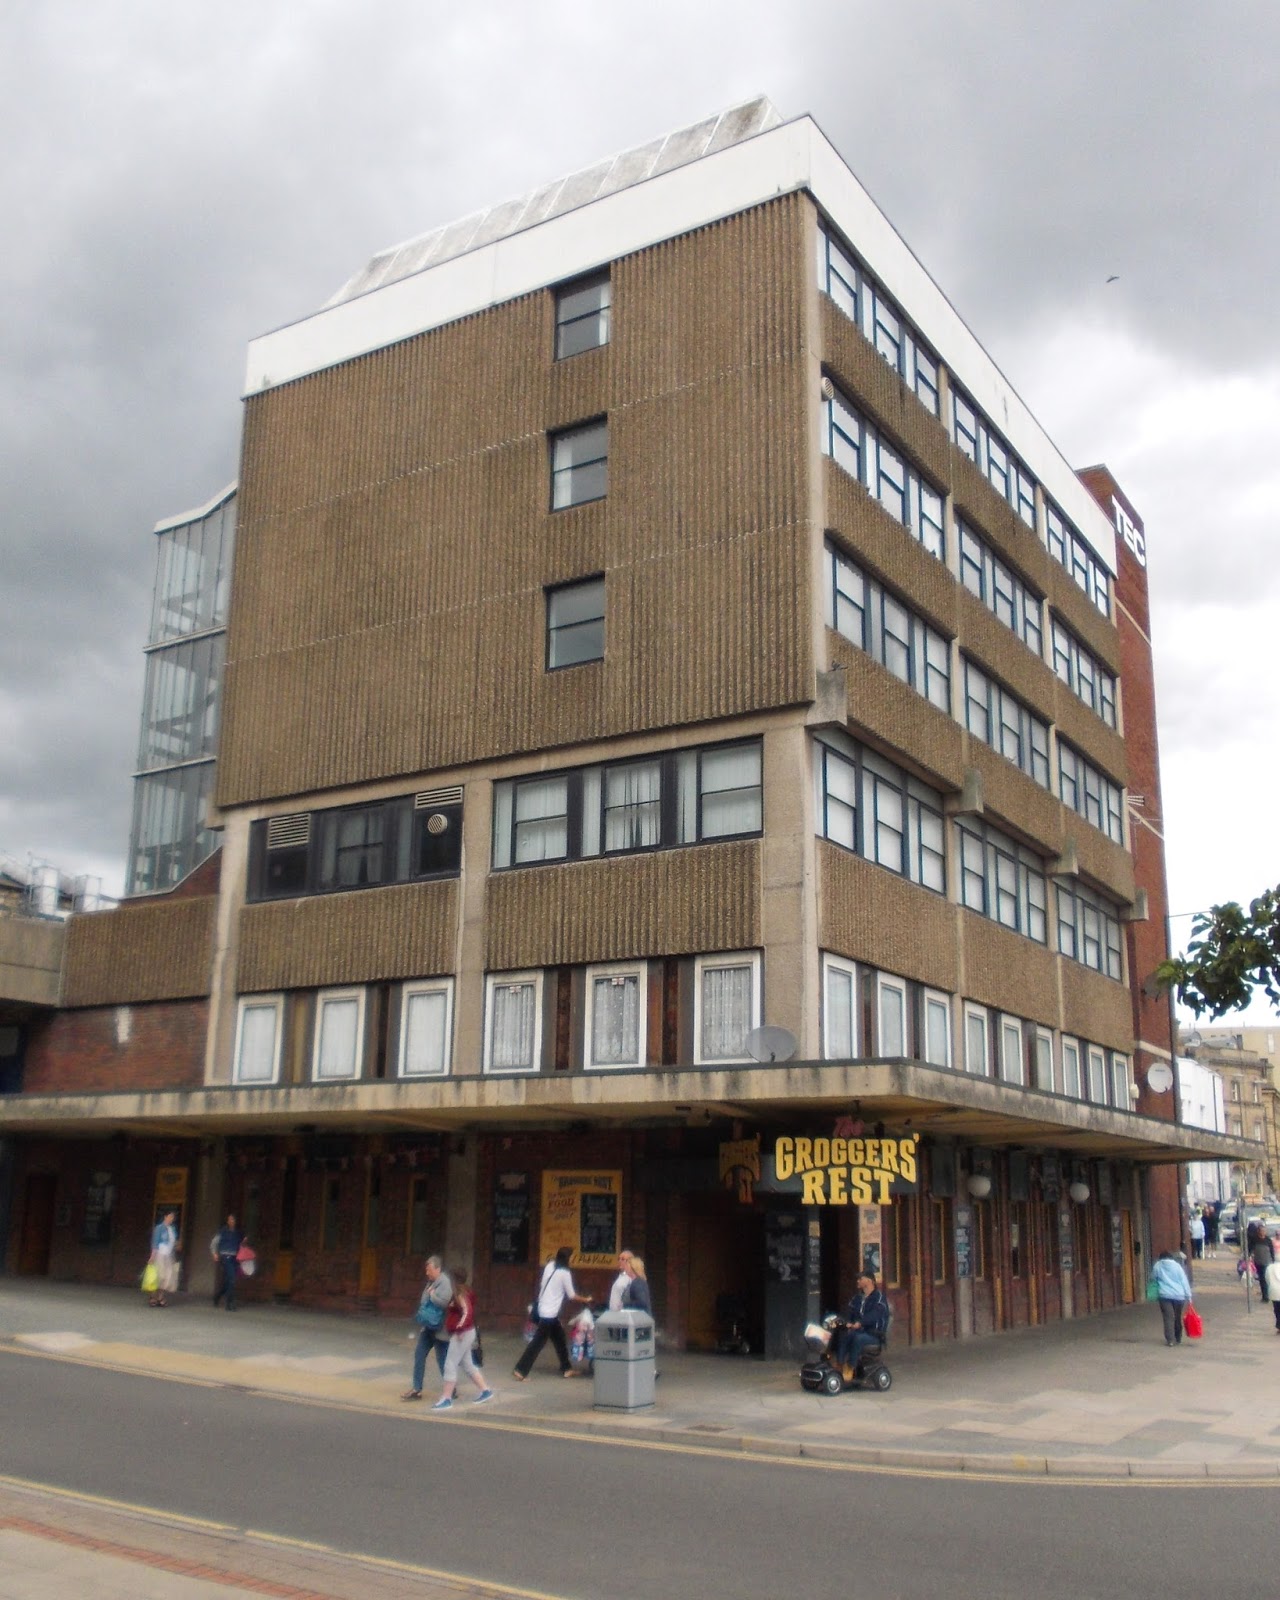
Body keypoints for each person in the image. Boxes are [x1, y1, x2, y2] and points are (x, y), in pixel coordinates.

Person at [513, 1246, 588, 1380]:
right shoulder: (565, 1273)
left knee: (559, 1339)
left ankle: (566, 1368)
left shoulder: (550, 1266)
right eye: (571, 1257)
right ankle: (521, 1370)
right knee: (537, 1343)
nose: (572, 1259)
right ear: (567, 1258)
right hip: (549, 1314)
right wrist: (585, 1299)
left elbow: (543, 1284)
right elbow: (571, 1295)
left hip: (544, 1309)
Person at [431, 1269, 493, 1409]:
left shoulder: (459, 1293)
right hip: (466, 1332)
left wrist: (459, 1327)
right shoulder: (465, 1291)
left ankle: (446, 1398)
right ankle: (485, 1390)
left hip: (462, 1333)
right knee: (467, 1364)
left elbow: (467, 1312)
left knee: (450, 1363)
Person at [402, 1255, 454, 1400]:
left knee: (442, 1360)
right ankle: (416, 1389)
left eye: (429, 1270)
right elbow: (424, 1299)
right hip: (428, 1327)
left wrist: (432, 1295)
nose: (427, 1273)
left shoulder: (445, 1283)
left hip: (440, 1329)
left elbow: (444, 1303)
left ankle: (452, 1389)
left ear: (438, 1269)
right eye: (426, 1270)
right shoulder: (431, 1282)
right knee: (419, 1355)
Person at [835, 1272, 889, 1378]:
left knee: (857, 1338)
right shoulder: (857, 1298)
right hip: (859, 1331)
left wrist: (860, 1323)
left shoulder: (879, 1298)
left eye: (860, 1279)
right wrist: (843, 1321)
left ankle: (851, 1367)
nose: (858, 1281)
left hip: (874, 1335)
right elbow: (848, 1311)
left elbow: (875, 1315)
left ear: (869, 1281)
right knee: (844, 1335)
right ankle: (839, 1364)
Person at [1150, 1249, 1193, 1345]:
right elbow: (1184, 1281)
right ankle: (1178, 1337)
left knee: (1168, 1317)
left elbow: (1153, 1278)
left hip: (1164, 1295)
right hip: (1179, 1296)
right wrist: (1188, 1296)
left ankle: (1170, 1340)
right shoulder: (1177, 1266)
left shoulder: (1158, 1265)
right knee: (1177, 1317)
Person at [210, 1214, 244, 1311]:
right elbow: (214, 1243)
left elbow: (242, 1244)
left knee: (227, 1281)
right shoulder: (223, 1231)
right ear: (227, 1221)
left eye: (233, 1219)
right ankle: (230, 1303)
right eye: (229, 1219)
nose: (231, 1221)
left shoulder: (238, 1233)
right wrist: (214, 1253)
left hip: (235, 1258)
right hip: (225, 1257)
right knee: (232, 1278)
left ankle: (217, 1296)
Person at [149, 1210, 180, 1308]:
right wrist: (152, 1256)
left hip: (169, 1255)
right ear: (165, 1217)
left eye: (173, 1217)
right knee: (158, 1276)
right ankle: (153, 1297)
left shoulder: (172, 1228)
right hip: (160, 1254)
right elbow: (155, 1242)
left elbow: (174, 1242)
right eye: (170, 1217)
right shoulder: (159, 1228)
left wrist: (177, 1247)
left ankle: (161, 1297)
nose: (172, 1219)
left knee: (167, 1276)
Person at [1251, 1228, 1275, 1302]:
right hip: (1258, 1262)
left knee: (1266, 1279)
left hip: (1267, 1262)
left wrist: (1273, 1261)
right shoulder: (1255, 1240)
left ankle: (1267, 1296)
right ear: (1258, 1232)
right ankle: (1265, 1296)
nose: (1263, 1232)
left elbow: (1272, 1251)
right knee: (1262, 1279)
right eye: (1261, 1231)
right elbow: (1250, 1249)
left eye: (1264, 1231)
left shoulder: (1268, 1240)